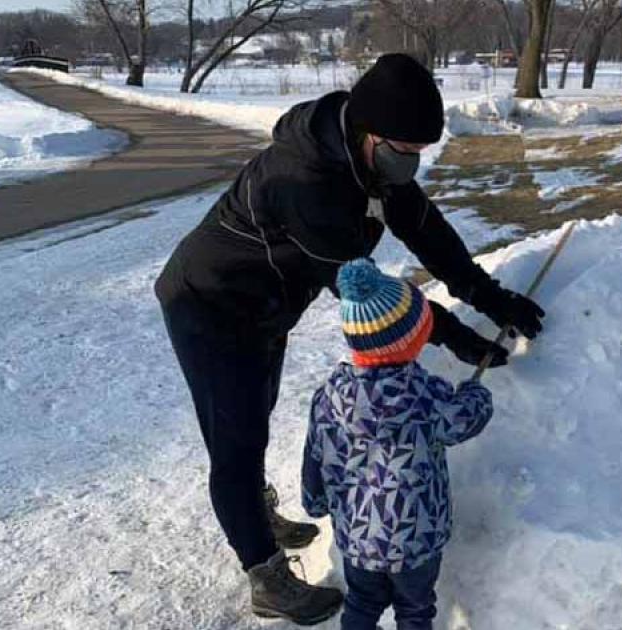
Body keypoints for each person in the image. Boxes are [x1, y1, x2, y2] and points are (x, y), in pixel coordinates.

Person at [154, 53, 543, 624]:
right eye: (402, 151)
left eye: (418, 154)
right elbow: (368, 294)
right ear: (368, 133)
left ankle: (253, 516)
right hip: (210, 303)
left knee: (254, 414)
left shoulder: (371, 162)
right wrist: (456, 336)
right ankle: (263, 570)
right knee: (234, 437)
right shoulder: (304, 182)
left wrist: (491, 298)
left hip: (267, 304)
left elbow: (430, 234)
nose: (409, 165)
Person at [302, 259, 494, 630]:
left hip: (358, 539)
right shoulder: (424, 395)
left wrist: (316, 500)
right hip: (415, 542)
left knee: (361, 604)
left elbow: (314, 454)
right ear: (412, 340)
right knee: (415, 610)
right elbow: (462, 420)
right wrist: (476, 393)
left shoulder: (328, 397)